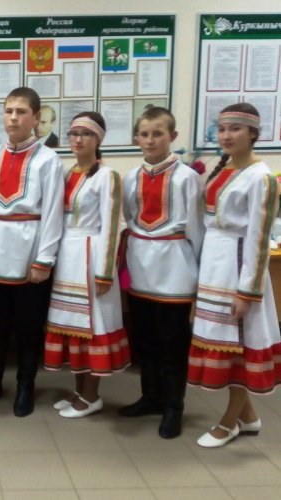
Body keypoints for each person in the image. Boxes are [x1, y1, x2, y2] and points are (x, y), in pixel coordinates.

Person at [188, 103, 281, 447]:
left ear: (253, 133)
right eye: (223, 129)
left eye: (235, 129)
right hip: (215, 266)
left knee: (238, 347)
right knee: (222, 342)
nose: (226, 135)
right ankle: (249, 417)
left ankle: (229, 422)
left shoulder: (261, 177)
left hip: (238, 268)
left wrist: (247, 292)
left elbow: (258, 238)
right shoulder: (222, 170)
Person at [0, 87, 63, 417]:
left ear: (36, 118)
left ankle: (26, 386)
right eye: (9, 111)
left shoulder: (48, 160)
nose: (13, 117)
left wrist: (44, 260)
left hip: (30, 256)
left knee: (28, 329)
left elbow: (53, 213)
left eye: (21, 112)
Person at [119, 107, 204, 439]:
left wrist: (198, 270)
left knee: (173, 342)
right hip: (141, 266)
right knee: (146, 339)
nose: (150, 140)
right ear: (137, 138)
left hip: (174, 268)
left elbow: (195, 227)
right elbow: (130, 218)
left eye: (157, 133)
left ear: (172, 136)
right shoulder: (130, 177)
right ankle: (150, 397)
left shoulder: (187, 177)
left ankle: (173, 406)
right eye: (144, 134)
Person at [45, 112, 129, 418]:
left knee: (92, 326)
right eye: (73, 133)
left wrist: (105, 271)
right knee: (74, 327)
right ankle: (80, 390)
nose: (78, 139)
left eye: (86, 134)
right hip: (68, 257)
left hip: (91, 256)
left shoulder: (107, 176)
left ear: (99, 139)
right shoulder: (68, 173)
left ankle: (92, 395)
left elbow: (112, 225)